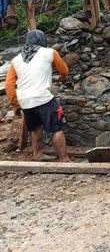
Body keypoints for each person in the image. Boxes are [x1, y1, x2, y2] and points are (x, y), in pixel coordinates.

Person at [5, 30, 70, 162]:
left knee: (36, 128)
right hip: (43, 98)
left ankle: (37, 154)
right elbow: (64, 70)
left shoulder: (16, 60)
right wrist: (63, 79)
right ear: (43, 40)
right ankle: (64, 159)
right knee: (57, 127)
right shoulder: (50, 52)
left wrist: (15, 105)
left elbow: (9, 85)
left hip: (25, 101)